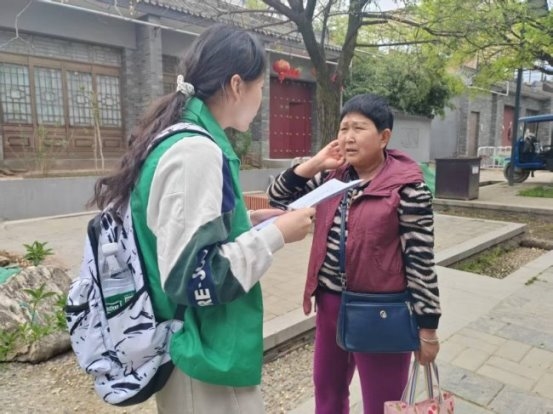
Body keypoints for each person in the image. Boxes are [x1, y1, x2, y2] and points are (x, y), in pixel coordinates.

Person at [90, 24, 315, 414]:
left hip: (195, 346)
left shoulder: (181, 136)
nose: (262, 98)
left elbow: (180, 231)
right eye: (261, 87)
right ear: (236, 85)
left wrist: (248, 221)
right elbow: (191, 277)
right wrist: (276, 234)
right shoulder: (196, 151)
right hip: (201, 351)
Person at [268, 94, 441, 414]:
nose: (348, 137)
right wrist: (315, 163)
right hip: (330, 304)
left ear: (384, 137)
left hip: (381, 312)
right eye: (343, 128)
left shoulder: (407, 189)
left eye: (359, 128)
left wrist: (428, 328)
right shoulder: (331, 176)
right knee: (328, 392)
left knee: (382, 404)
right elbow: (278, 196)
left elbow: (420, 259)